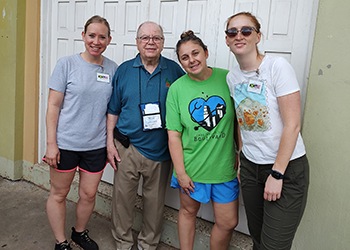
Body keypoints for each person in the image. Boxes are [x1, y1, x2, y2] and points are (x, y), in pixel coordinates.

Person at [225, 12, 310, 250]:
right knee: (258, 239)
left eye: (246, 30)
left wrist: (277, 174)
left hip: (285, 168)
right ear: (227, 40)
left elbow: (293, 125)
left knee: (274, 246)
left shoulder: (277, 67)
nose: (238, 36)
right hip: (251, 168)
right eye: (232, 32)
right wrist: (242, 159)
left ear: (258, 36)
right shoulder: (233, 78)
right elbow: (242, 123)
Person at [106, 21, 185, 250]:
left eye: (156, 38)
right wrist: (109, 143)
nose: (151, 42)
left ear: (162, 42)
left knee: (155, 203)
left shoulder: (174, 71)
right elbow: (113, 110)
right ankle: (122, 242)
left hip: (161, 150)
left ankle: (148, 243)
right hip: (127, 148)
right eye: (145, 38)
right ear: (137, 41)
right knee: (122, 201)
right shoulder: (124, 70)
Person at [45, 15, 118, 250]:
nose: (96, 41)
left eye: (102, 37)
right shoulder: (66, 64)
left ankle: (78, 233)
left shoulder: (113, 69)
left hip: (95, 146)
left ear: (108, 40)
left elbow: (111, 111)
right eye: (92, 35)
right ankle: (61, 242)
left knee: (88, 195)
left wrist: (109, 143)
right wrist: (51, 144)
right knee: (59, 193)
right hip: (65, 144)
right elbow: (53, 106)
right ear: (83, 36)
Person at [166, 30, 240, 250]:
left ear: (206, 52)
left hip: (224, 166)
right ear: (180, 62)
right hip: (191, 167)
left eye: (195, 53)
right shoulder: (177, 89)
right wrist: (180, 172)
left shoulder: (228, 79)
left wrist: (240, 154)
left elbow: (239, 122)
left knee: (228, 222)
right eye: (185, 57)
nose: (192, 60)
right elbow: (174, 135)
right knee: (188, 212)